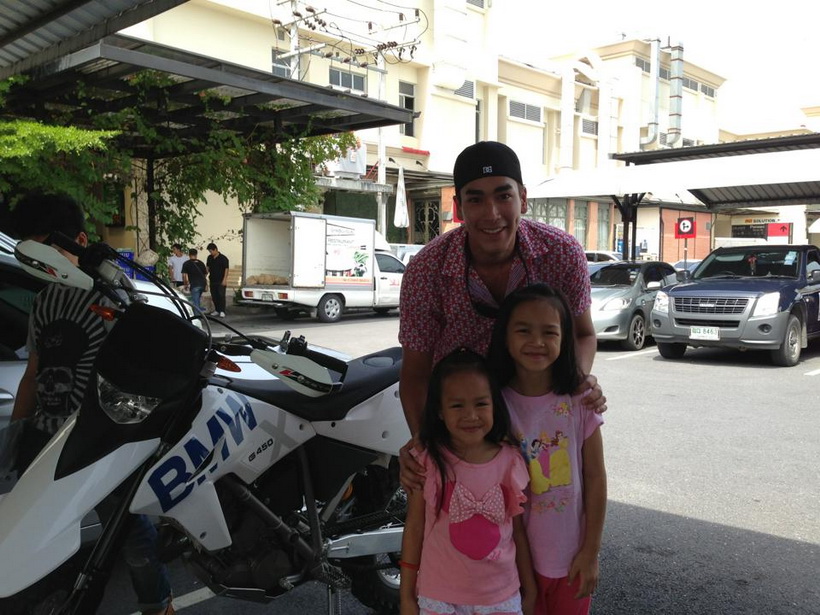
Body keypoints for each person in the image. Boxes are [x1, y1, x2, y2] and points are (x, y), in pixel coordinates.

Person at [398, 141, 605, 488]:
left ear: (523, 198)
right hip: (465, 430)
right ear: (458, 207)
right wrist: (425, 445)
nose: (492, 213)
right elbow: (416, 374)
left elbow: (583, 335)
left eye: (503, 196)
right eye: (475, 199)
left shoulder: (562, 252)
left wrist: (576, 382)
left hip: (542, 425)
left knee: (551, 510)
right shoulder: (425, 270)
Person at [10, 192, 174, 615]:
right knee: (37, 535)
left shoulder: (114, 297)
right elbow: (33, 372)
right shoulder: (44, 301)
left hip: (99, 442)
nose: (41, 263)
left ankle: (158, 605)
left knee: (130, 536)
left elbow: (142, 369)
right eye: (32, 254)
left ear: (80, 241)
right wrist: (18, 433)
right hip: (46, 439)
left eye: (49, 251)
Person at [488, 284, 607, 614]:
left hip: (572, 561)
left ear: (564, 338)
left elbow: (596, 477)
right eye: (523, 330)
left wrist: (591, 552)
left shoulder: (581, 400)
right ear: (504, 336)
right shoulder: (494, 405)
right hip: (513, 563)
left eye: (549, 332)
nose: (537, 342)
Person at [399, 349, 536, 615]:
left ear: (495, 404)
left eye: (481, 404)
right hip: (438, 597)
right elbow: (414, 528)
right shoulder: (427, 462)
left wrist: (529, 589)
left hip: (501, 595)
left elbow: (518, 532)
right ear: (440, 411)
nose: (471, 415)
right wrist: (406, 596)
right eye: (457, 405)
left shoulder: (510, 461)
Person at [205, 242, 229, 317]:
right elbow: (207, 268)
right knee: (214, 296)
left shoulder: (223, 258)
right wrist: (204, 276)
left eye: (211, 251)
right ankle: (217, 310)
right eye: (209, 251)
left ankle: (222, 311)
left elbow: (226, 269)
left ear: (215, 249)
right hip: (212, 280)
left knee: (221, 296)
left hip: (221, 280)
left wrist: (224, 279)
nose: (210, 253)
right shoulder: (209, 258)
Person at [181, 248, 207, 313]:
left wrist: (185, 284)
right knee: (197, 300)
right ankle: (200, 312)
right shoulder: (201, 263)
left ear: (189, 255)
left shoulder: (186, 263)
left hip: (194, 285)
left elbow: (184, 276)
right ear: (196, 255)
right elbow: (205, 274)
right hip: (202, 285)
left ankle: (197, 317)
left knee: (196, 304)